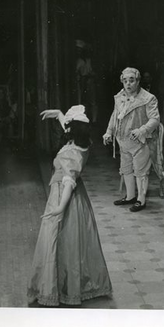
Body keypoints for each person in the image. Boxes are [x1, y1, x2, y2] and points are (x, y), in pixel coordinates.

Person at [28, 105, 113, 307]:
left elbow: (68, 182)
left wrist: (59, 208)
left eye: (68, 126)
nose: (65, 128)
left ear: (73, 131)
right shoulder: (83, 144)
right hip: (78, 198)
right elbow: (70, 126)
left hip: (64, 196)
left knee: (58, 239)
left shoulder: (70, 154)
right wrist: (58, 114)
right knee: (75, 242)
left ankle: (61, 289)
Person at [103, 67, 160, 212]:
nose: (128, 84)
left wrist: (142, 130)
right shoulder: (120, 97)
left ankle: (141, 200)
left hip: (140, 142)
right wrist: (109, 131)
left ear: (138, 81)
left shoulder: (147, 98)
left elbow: (155, 119)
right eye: (125, 81)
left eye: (132, 80)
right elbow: (114, 115)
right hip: (123, 140)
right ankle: (130, 196)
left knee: (141, 172)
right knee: (126, 169)